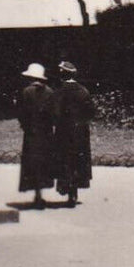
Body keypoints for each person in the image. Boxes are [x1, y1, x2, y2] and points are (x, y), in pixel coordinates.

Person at [16, 63, 57, 208]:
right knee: (43, 163)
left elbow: (21, 113)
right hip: (46, 134)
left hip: (32, 133)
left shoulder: (26, 92)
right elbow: (53, 114)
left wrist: (25, 126)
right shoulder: (50, 92)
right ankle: (40, 194)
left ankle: (37, 194)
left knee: (32, 163)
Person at [53, 61, 93, 205]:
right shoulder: (83, 91)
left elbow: (55, 113)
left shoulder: (59, 92)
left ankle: (68, 189)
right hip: (80, 132)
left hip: (64, 132)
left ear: (63, 74)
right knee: (77, 160)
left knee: (66, 160)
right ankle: (74, 190)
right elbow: (90, 113)